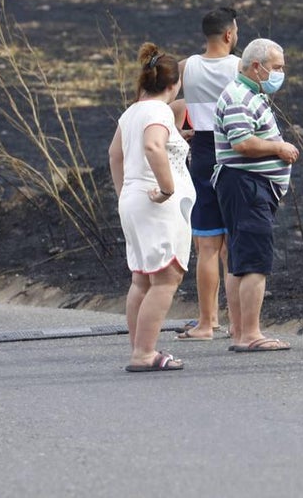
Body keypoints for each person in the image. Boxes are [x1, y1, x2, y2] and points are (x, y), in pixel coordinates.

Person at [109, 43, 195, 372]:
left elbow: (115, 155)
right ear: (173, 84)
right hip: (157, 204)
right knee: (166, 277)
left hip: (133, 199)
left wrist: (124, 192)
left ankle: (140, 348)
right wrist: (167, 187)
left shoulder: (132, 112)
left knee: (142, 279)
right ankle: (144, 353)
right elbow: (153, 146)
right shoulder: (159, 111)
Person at [212, 38, 299, 352]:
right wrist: (278, 148)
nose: (280, 74)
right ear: (257, 67)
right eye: (276, 67)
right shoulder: (239, 97)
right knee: (253, 261)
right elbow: (242, 142)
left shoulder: (251, 94)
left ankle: (240, 331)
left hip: (247, 186)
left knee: (239, 259)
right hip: (247, 185)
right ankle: (250, 334)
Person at [175, 7, 241, 342]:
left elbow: (163, 101)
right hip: (234, 151)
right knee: (235, 243)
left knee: (207, 244)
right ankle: (238, 323)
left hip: (201, 150)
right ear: (229, 34)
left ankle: (206, 322)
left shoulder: (185, 67)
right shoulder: (240, 67)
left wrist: (178, 133)